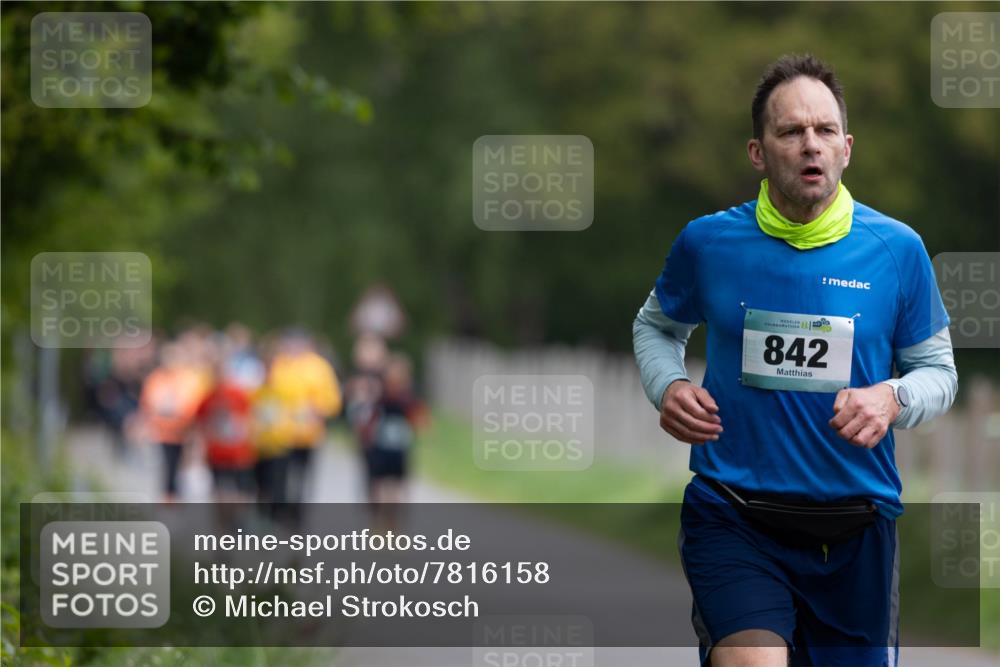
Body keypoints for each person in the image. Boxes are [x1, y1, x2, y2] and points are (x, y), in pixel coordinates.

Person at [632, 54, 957, 667]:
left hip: (857, 526)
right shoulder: (708, 243)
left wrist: (893, 397)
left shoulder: (897, 250)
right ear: (758, 152)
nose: (811, 145)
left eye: (825, 131)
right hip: (736, 515)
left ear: (847, 147)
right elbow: (655, 326)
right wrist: (667, 383)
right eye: (791, 131)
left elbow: (940, 374)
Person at [269, 330, 342, 520]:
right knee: (279, 478)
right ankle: (279, 514)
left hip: (308, 435)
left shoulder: (319, 368)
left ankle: (296, 519)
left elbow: (332, 401)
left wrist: (318, 410)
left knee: (301, 478)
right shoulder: (279, 365)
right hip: (280, 435)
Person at [138, 341, 207, 501]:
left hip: (184, 432)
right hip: (162, 434)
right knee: (168, 469)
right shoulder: (156, 379)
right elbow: (148, 404)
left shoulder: (188, 378)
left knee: (184, 470)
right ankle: (169, 502)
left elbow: (194, 404)